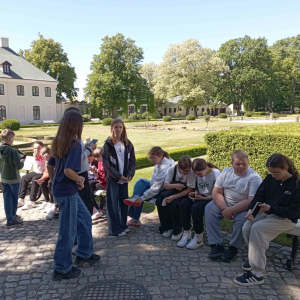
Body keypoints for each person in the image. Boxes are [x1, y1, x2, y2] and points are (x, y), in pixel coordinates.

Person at [47, 110, 99, 280]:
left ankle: (84, 253)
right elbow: (69, 171)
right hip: (68, 192)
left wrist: (55, 181)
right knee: (67, 231)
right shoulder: (75, 145)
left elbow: (50, 165)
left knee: (84, 219)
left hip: (62, 190)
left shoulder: (60, 141)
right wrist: (80, 181)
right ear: (78, 125)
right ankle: (61, 268)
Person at [235, 153, 300, 286]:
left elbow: (293, 211)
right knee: (247, 226)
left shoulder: (297, 185)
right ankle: (254, 258)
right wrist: (251, 211)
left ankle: (257, 274)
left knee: (258, 228)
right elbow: (259, 195)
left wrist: (270, 208)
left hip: (287, 218)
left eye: (276, 172)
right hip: (269, 212)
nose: (273, 175)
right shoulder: (271, 178)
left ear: (285, 168)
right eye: (270, 172)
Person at [205, 150, 262, 262]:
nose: (241, 167)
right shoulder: (225, 172)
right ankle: (216, 244)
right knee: (209, 209)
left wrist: (231, 210)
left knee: (242, 221)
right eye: (238, 164)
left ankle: (234, 247)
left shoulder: (254, 178)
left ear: (248, 163)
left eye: (244, 164)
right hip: (225, 202)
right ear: (232, 163)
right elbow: (216, 192)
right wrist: (225, 208)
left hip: (244, 207)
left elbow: (251, 201)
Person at [124, 146, 175, 226]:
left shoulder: (165, 167)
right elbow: (155, 183)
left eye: (153, 158)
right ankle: (135, 199)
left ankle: (135, 217)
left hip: (163, 192)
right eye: (150, 158)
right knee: (140, 181)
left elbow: (156, 188)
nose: (151, 160)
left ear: (161, 157)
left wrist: (142, 198)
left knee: (140, 193)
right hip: (157, 186)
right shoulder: (161, 161)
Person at [102, 118, 136, 236]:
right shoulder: (108, 145)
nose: (118, 129)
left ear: (123, 128)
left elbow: (132, 161)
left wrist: (130, 174)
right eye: (115, 127)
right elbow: (106, 165)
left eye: (120, 127)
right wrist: (118, 176)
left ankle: (123, 225)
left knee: (123, 203)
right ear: (112, 128)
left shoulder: (128, 143)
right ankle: (114, 229)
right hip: (113, 179)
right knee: (113, 205)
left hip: (124, 179)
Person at [177, 158, 221, 249]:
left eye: (200, 174)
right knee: (183, 204)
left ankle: (198, 236)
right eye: (197, 174)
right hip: (200, 196)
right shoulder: (196, 173)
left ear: (206, 168)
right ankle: (186, 232)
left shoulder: (216, 173)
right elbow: (197, 187)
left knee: (196, 208)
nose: (199, 176)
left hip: (211, 198)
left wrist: (203, 198)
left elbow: (218, 194)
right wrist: (196, 192)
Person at [63, 107, 96, 215]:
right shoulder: (73, 139)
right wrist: (89, 149)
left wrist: (84, 147)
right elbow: (78, 158)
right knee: (85, 202)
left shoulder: (66, 137)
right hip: (78, 173)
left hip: (75, 173)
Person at [156, 155, 195, 241]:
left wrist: (173, 197)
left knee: (174, 204)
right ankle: (166, 227)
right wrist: (176, 186)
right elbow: (166, 185)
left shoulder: (191, 173)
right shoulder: (172, 169)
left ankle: (177, 229)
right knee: (159, 201)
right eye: (184, 171)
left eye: (188, 170)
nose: (187, 172)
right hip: (174, 190)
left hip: (185, 193)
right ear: (179, 167)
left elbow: (189, 189)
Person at [0, 129, 24, 226]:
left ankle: (9, 217)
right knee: (14, 198)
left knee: (6, 198)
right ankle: (12, 218)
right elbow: (18, 166)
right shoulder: (13, 150)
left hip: (4, 177)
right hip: (14, 178)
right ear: (10, 139)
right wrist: (22, 161)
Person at [18, 141, 45, 209]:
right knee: (24, 177)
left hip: (44, 172)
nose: (37, 150)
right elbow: (36, 169)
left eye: (39, 148)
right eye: (35, 148)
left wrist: (36, 159)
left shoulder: (44, 155)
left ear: (42, 148)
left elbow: (41, 169)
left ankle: (32, 201)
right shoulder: (35, 155)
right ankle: (21, 199)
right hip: (37, 171)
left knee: (35, 179)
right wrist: (35, 158)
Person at [36, 147, 56, 219]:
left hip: (56, 176)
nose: (43, 158)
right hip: (50, 175)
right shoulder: (47, 161)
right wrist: (42, 178)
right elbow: (46, 172)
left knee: (50, 183)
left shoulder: (52, 159)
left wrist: (44, 177)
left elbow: (52, 170)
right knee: (43, 182)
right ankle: (47, 200)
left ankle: (52, 202)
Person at [88, 147, 106, 220]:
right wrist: (96, 172)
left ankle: (96, 209)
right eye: (96, 158)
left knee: (88, 186)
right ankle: (95, 208)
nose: (97, 159)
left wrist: (96, 175)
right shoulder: (99, 162)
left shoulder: (106, 163)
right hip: (100, 180)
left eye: (98, 157)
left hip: (105, 183)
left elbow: (104, 179)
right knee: (87, 184)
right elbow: (100, 174)